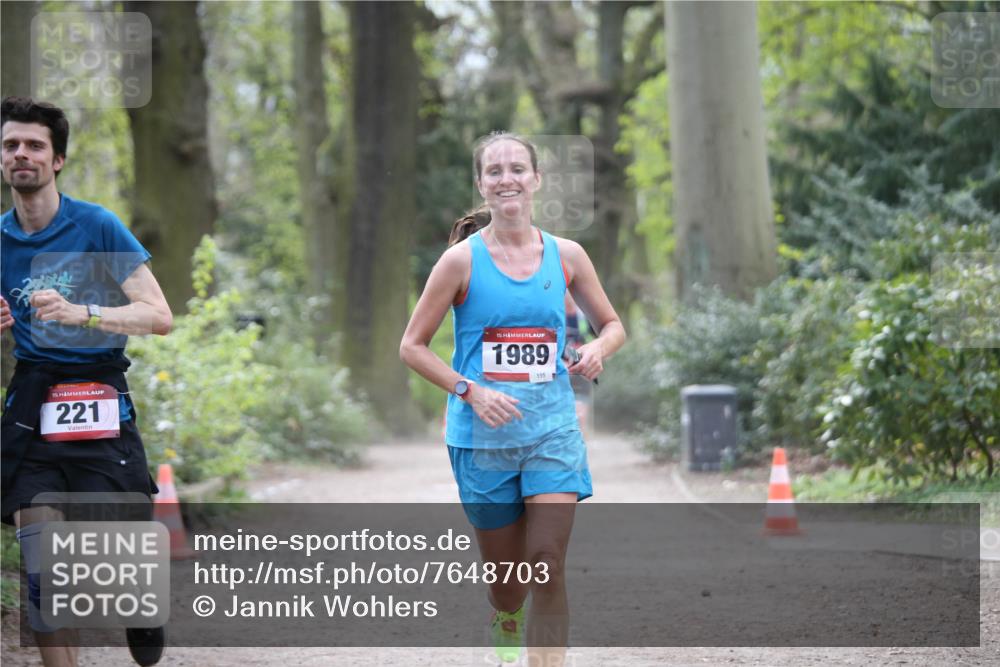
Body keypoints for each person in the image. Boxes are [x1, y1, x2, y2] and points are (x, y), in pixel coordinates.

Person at [400, 132, 626, 666]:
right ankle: (505, 618)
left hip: (551, 430)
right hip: (483, 440)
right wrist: (470, 390)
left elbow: (613, 325)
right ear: (481, 184)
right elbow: (412, 346)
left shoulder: (567, 256)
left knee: (546, 561)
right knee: (509, 586)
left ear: (536, 180)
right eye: (495, 171)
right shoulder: (460, 263)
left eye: (517, 169)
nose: (507, 179)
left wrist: (598, 348)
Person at [1, 96, 172, 667]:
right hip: (33, 403)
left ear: (58, 161)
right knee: (43, 577)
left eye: (34, 145)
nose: (21, 154)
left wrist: (86, 314)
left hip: (100, 394)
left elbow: (159, 316)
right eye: (10, 145)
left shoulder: (95, 225)